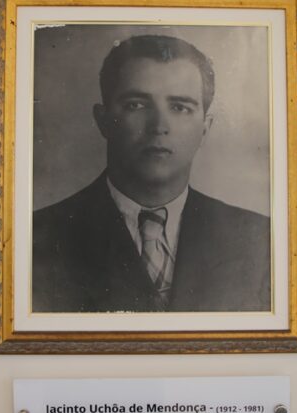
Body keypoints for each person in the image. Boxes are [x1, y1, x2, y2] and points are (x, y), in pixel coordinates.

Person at [32, 34, 270, 312]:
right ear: (103, 121)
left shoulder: (260, 239)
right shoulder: (37, 238)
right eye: (136, 105)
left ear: (204, 129)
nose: (159, 126)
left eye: (180, 107)